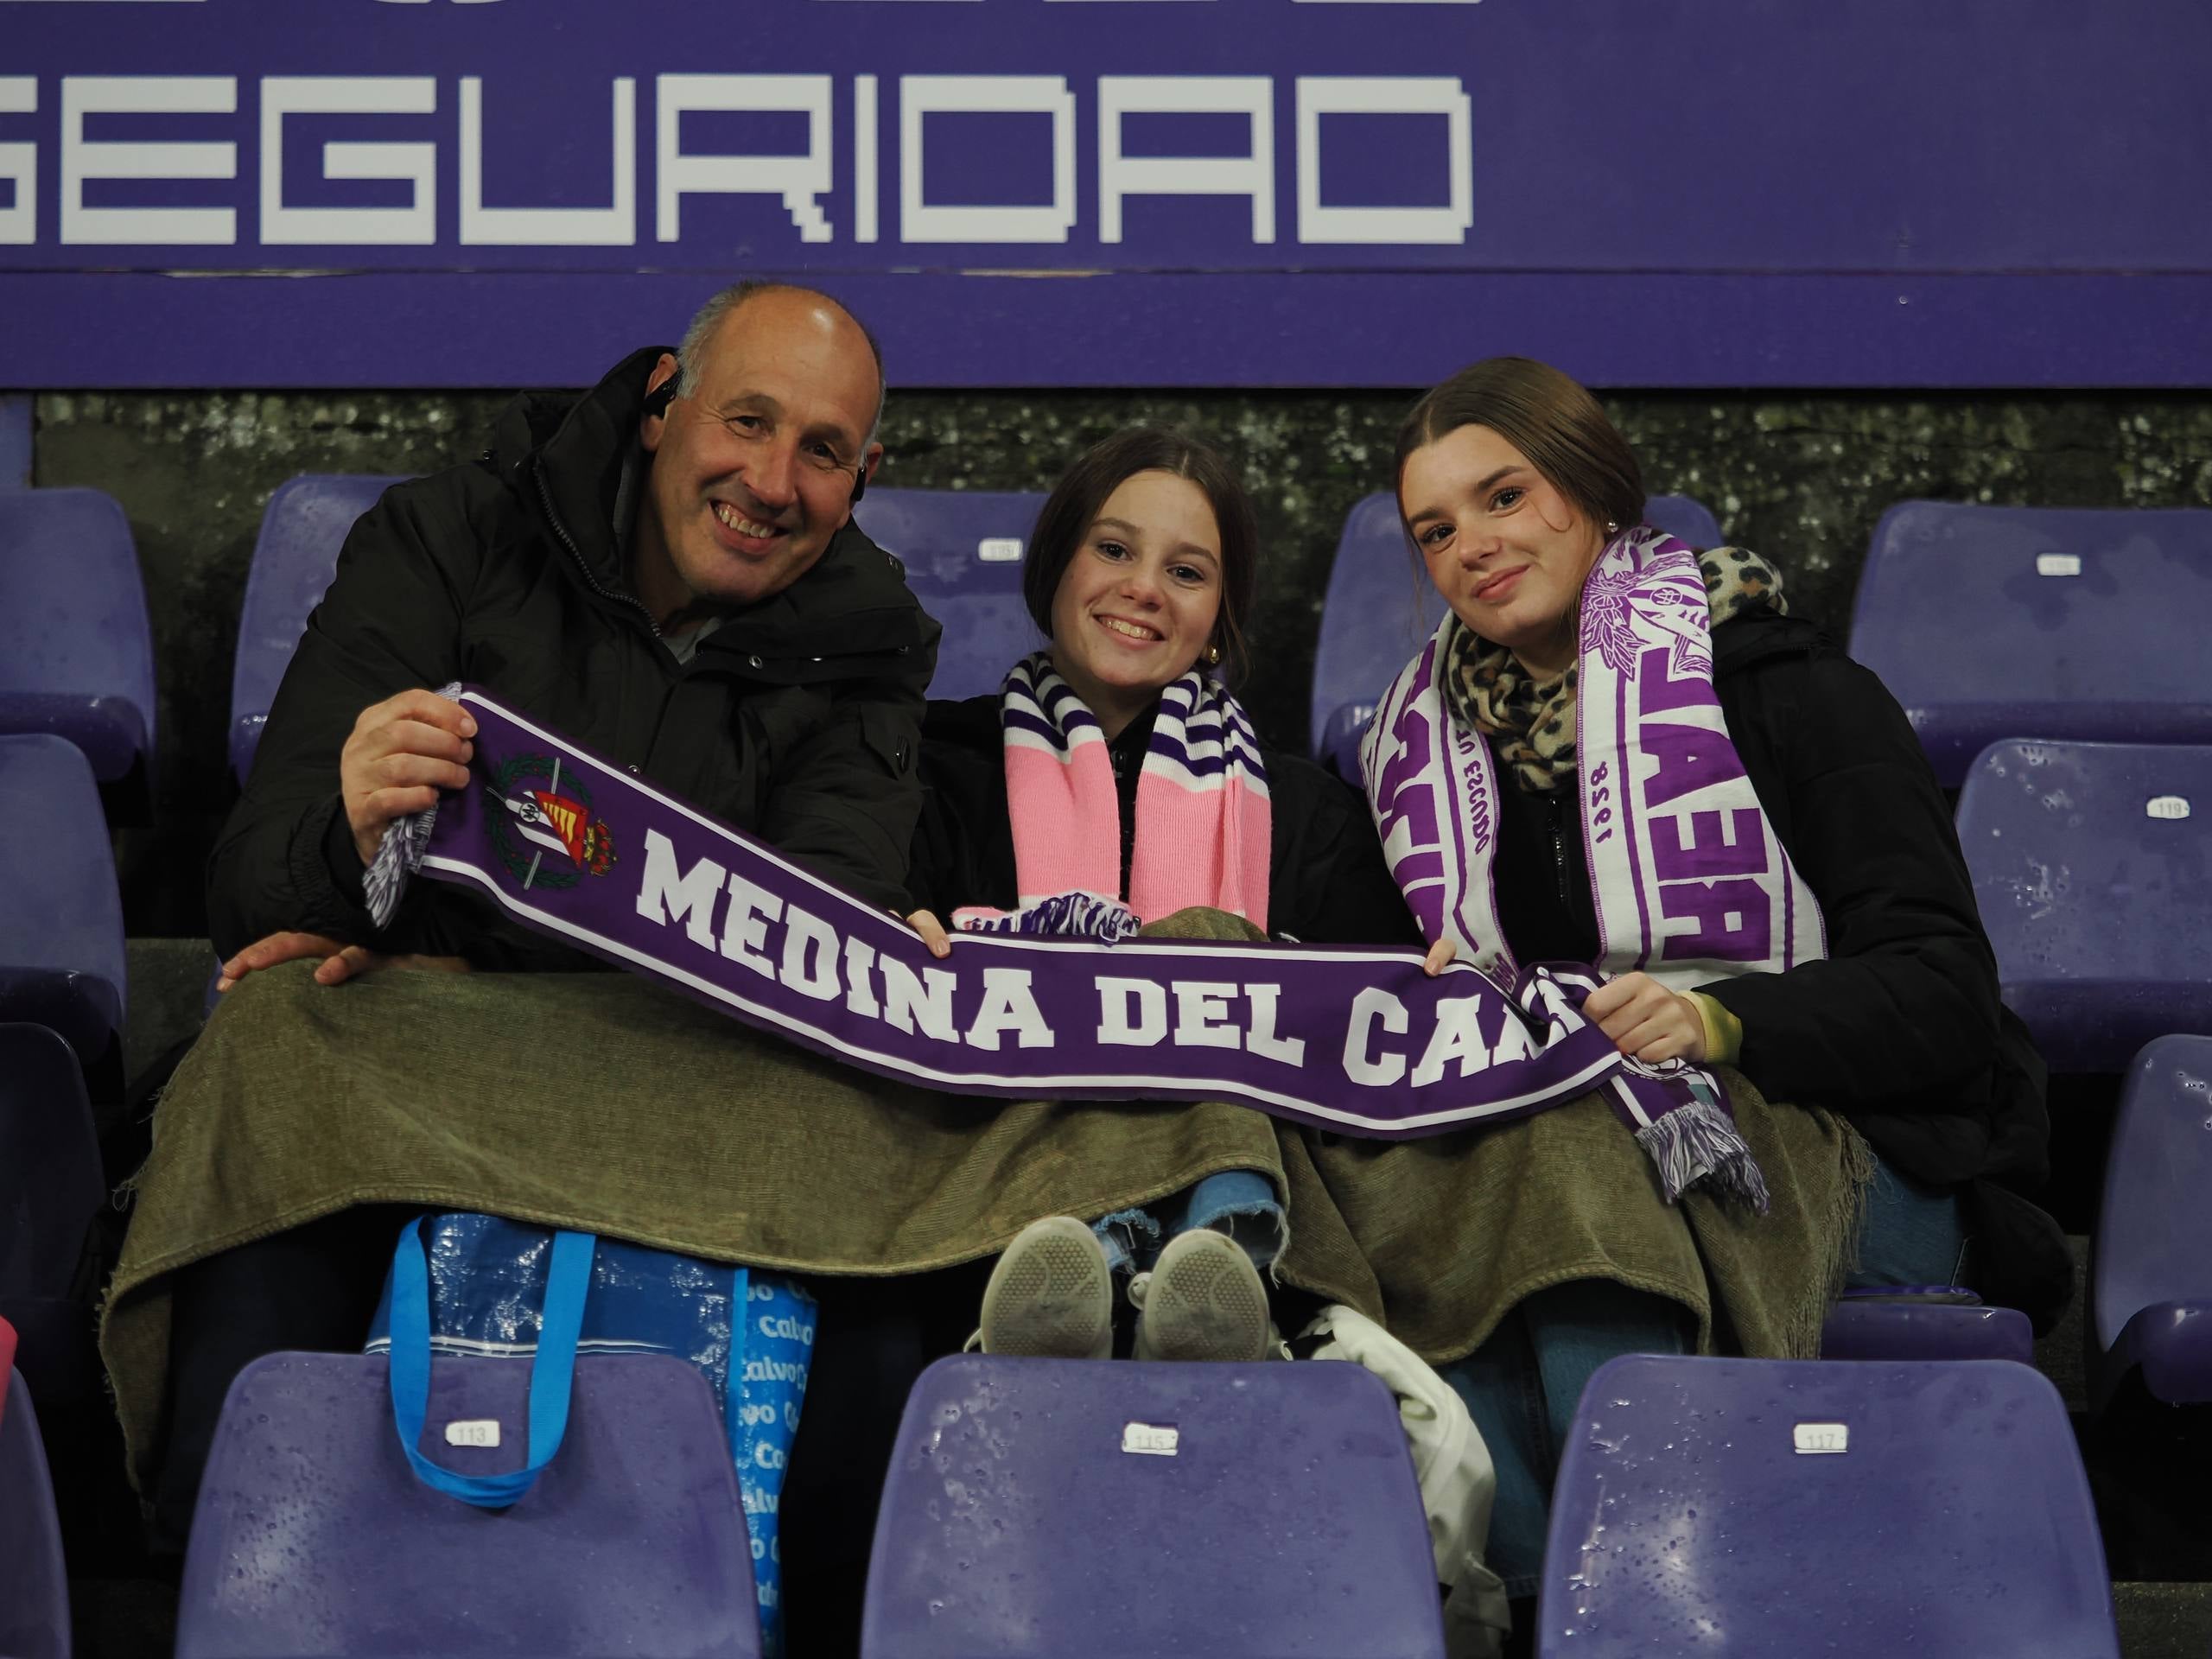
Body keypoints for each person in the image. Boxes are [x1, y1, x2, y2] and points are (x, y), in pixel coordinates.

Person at [140, 281, 950, 1582]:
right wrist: (346, 832)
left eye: (823, 453)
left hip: (697, 1096)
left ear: (864, 479)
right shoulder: (452, 533)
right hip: (430, 1075)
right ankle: (239, 1584)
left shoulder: (875, 642)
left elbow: (805, 941)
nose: (772, 481)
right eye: (746, 422)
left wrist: (472, 962)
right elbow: (256, 896)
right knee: (278, 1034)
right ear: (658, 409)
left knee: (875, 1155)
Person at [1363, 355, 2067, 1611]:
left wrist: (1718, 1023)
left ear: (1588, 491)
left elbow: (1945, 992)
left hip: (1867, 1152)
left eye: (1504, 496)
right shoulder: (1416, 765)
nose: (1471, 543)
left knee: (1574, 1157)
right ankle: (1575, 1604)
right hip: (1570, 1159)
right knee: (1449, 1202)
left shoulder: (1801, 698)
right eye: (1435, 529)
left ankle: (1622, 1607)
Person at [904, 427, 1415, 1367]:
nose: (1142, 587)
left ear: (1220, 616)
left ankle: (1219, 1268)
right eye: (1112, 549)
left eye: (1186, 572)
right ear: (1056, 567)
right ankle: (1077, 1280)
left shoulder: (1306, 818)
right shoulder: (930, 772)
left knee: (1204, 947)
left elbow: (1375, 1039)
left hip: (1269, 1226)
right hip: (992, 1216)